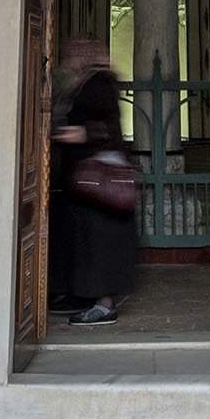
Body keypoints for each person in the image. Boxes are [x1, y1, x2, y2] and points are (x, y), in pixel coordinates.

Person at [49, 35, 139, 326]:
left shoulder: (98, 83)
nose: (67, 59)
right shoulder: (81, 83)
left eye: (72, 54)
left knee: (99, 243)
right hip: (82, 178)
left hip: (99, 178)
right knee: (81, 239)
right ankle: (81, 293)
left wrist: (71, 134)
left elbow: (105, 127)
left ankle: (104, 305)